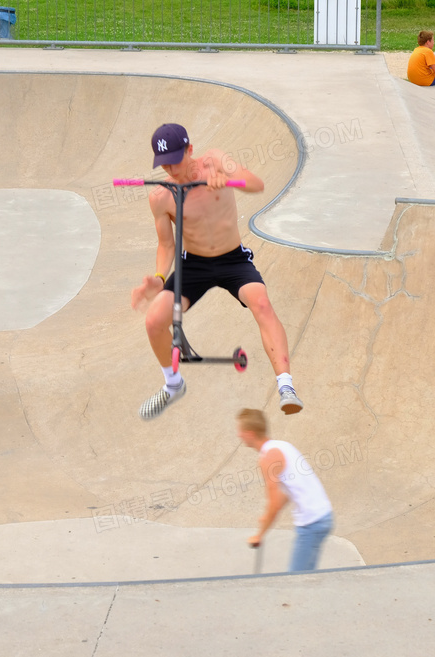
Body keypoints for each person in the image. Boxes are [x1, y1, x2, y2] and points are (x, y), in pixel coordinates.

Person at [131, 123, 303, 420]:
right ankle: (173, 385)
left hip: (232, 259)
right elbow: (166, 245)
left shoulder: (215, 160)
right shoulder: (161, 196)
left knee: (261, 302)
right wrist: (159, 279)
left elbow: (256, 184)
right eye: (164, 163)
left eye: (175, 159)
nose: (170, 169)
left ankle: (286, 386)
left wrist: (226, 177)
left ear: (190, 150)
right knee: (154, 320)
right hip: (193, 264)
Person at [238, 408, 333, 572]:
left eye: (241, 431)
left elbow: (273, 504)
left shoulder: (268, 458)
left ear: (250, 433)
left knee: (295, 581)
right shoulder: (283, 446)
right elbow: (290, 491)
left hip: (311, 523)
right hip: (323, 516)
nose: (239, 435)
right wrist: (266, 517)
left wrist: (260, 534)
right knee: (307, 578)